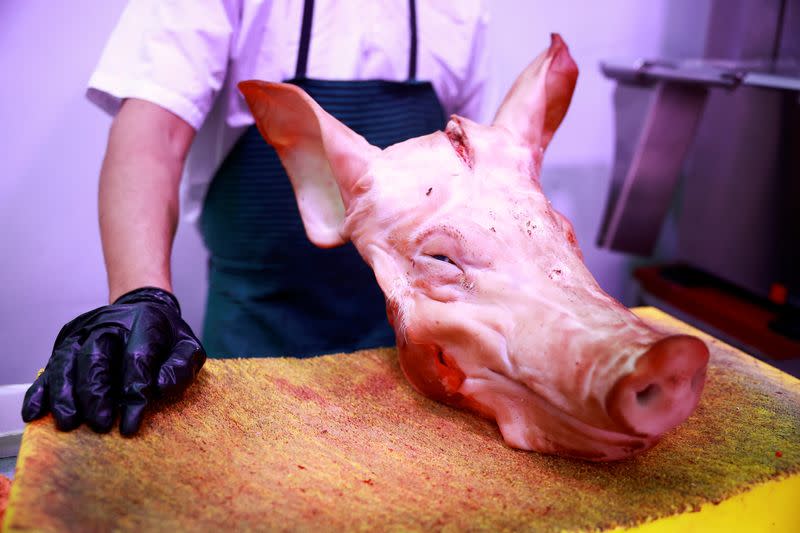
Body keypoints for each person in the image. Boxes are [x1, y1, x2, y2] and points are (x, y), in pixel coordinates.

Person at [21, 0, 489, 436]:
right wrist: (139, 297)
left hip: (414, 358)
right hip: (253, 340)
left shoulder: (458, 9)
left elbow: (471, 172)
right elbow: (153, 137)